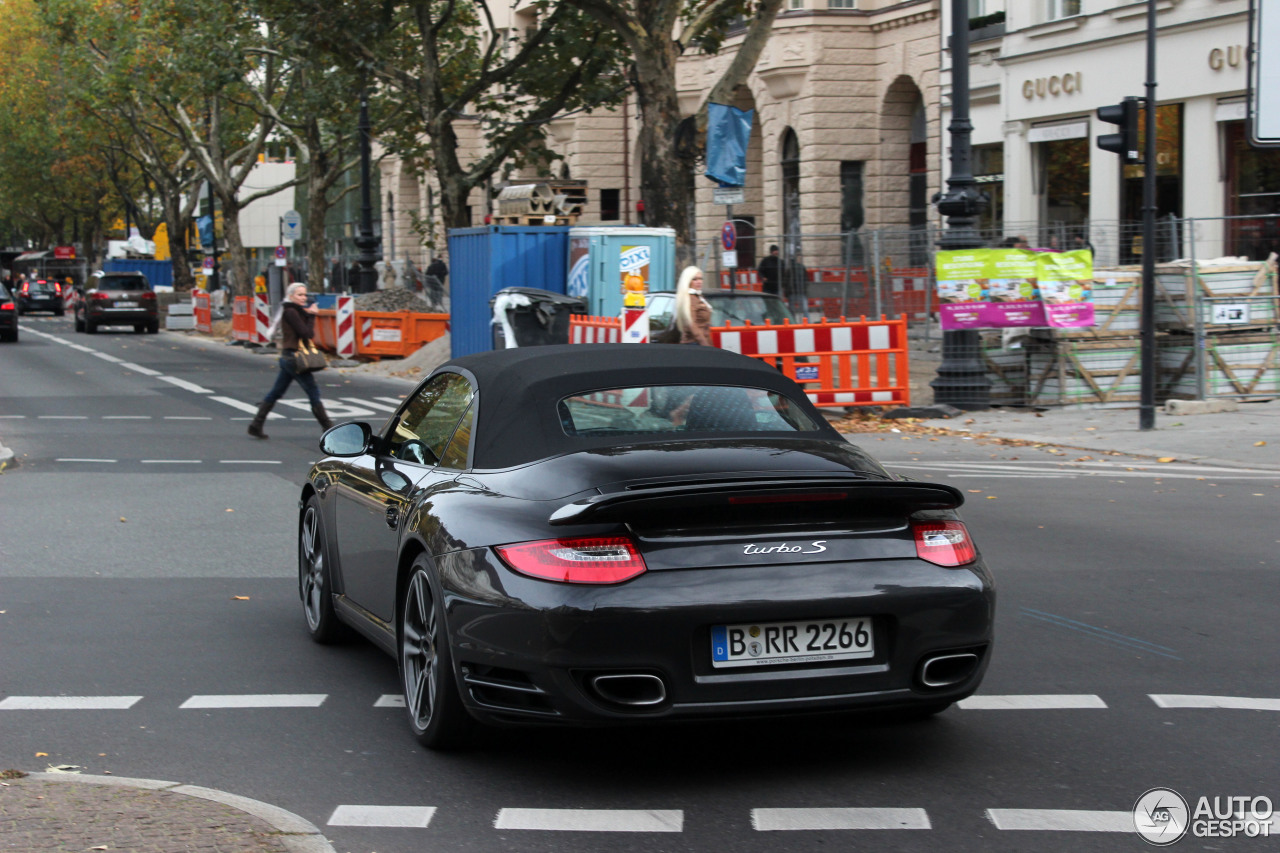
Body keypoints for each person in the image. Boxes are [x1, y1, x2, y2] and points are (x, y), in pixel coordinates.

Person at [247, 283, 333, 439]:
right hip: (295, 359)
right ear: (291, 296)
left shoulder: (294, 311)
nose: (304, 298)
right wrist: (312, 315)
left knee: (276, 392)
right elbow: (306, 333)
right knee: (313, 392)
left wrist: (308, 314)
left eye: (305, 295)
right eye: (300, 295)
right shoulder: (291, 312)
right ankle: (329, 429)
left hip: (288, 357)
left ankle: (256, 424)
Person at [674, 266, 712, 346]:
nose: (699, 282)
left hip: (697, 342)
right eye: (695, 279)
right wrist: (705, 344)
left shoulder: (697, 296)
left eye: (700, 279)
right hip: (695, 343)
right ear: (687, 281)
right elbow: (692, 325)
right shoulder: (691, 298)